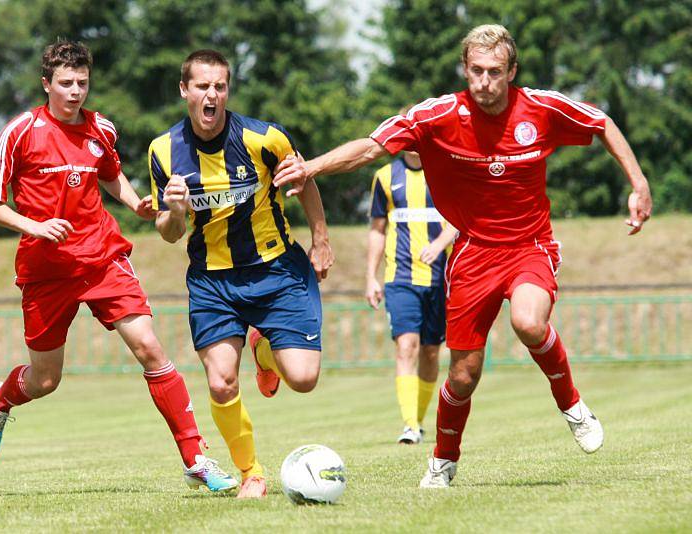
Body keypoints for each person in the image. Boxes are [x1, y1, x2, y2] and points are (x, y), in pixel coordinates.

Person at [274, 24, 652, 488]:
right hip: (471, 253)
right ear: (465, 69)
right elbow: (371, 147)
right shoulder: (436, 116)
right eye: (476, 71)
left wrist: (638, 183)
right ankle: (443, 460)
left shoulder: (542, 108)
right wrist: (311, 166)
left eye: (495, 72)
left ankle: (572, 404)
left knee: (529, 322)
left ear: (512, 71)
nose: (485, 82)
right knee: (464, 373)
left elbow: (601, 123)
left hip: (529, 245)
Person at [0, 40, 237, 493]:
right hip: (45, 270)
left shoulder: (101, 129)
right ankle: (0, 398)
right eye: (66, 83)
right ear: (46, 84)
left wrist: (137, 203)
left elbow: (110, 173)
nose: (75, 92)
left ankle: (196, 459)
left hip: (101, 257)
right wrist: (33, 226)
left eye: (82, 83)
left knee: (150, 348)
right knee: (46, 379)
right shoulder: (21, 130)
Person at [150, 50, 334, 498]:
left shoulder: (264, 139)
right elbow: (170, 233)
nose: (211, 95)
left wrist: (321, 238)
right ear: (184, 90)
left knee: (304, 379)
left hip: (276, 271)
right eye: (201, 86)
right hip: (213, 281)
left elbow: (304, 180)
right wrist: (175, 210)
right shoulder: (163, 151)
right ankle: (251, 471)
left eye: (220, 86)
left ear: (227, 90)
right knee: (220, 380)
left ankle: (265, 350)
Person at [365, 130, 458, 444]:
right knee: (406, 346)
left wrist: (440, 244)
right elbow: (378, 230)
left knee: (431, 353)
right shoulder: (385, 176)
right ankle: (410, 425)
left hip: (438, 277)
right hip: (400, 278)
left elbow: (459, 218)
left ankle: (417, 420)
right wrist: (370, 276)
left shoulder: (445, 170)